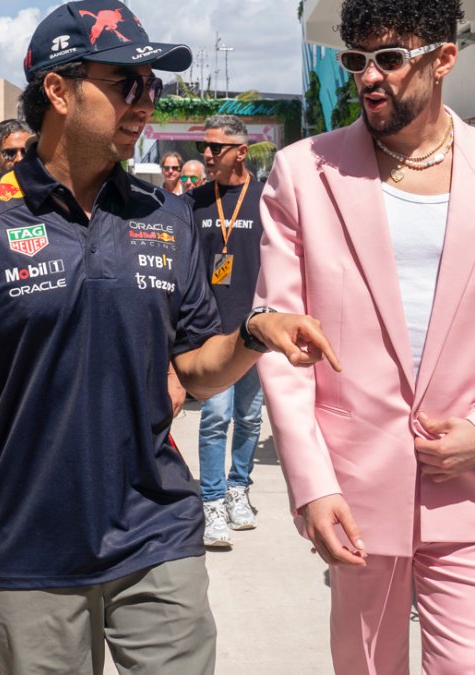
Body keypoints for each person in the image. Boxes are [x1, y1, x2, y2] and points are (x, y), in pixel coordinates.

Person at [0, 4, 337, 674]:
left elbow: (198, 368)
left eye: (151, 87)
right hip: (29, 549)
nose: (146, 102)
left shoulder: (168, 215)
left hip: (158, 533)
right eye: (129, 83)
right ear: (60, 91)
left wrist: (251, 332)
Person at [257, 2, 475, 673]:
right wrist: (312, 484)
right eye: (357, 60)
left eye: (390, 58)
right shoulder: (301, 173)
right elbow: (286, 352)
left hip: (474, 487)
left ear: (443, 59)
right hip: (354, 493)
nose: (369, 77)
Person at [185, 115, 264, 548]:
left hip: (253, 333)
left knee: (250, 417)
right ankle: (212, 500)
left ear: (241, 151)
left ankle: (239, 488)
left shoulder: (268, 198)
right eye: (204, 148)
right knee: (216, 416)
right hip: (211, 333)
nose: (209, 155)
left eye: (217, 148)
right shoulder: (194, 202)